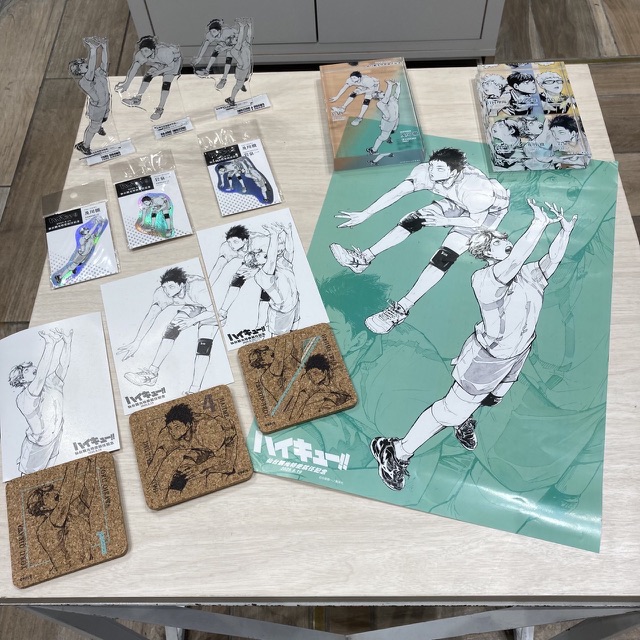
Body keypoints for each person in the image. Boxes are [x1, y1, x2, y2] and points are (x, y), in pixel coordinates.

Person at [370, 199, 578, 491]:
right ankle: (397, 451)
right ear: (485, 252)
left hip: (519, 352)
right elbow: (516, 259)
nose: (505, 242)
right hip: (487, 358)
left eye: (504, 239)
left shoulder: (529, 275)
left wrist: (565, 232)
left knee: (493, 398)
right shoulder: (485, 279)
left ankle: (464, 417)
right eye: (496, 242)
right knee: (449, 411)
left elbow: (551, 261)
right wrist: (538, 224)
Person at [331, 147, 510, 334]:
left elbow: (475, 221)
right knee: (413, 219)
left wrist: (444, 220)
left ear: (454, 173)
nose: (432, 172)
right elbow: (397, 192)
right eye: (432, 166)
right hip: (458, 202)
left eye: (439, 169)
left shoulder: (478, 190)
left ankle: (401, 309)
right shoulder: (425, 172)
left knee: (444, 256)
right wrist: (366, 213)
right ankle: (364, 258)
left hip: (487, 213)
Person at [118, 266, 218, 395]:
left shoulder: (198, 287)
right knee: (171, 330)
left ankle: (195, 389)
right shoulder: (162, 294)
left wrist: (192, 321)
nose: (167, 291)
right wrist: (137, 341)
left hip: (213, 308)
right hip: (194, 305)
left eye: (171, 287)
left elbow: (215, 309)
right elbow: (151, 315)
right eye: (165, 287)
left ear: (182, 285)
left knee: (203, 346)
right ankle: (152, 373)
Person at [9, 328, 73, 475]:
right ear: (21, 380)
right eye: (26, 370)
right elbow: (40, 377)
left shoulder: (50, 383)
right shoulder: (24, 398)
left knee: (51, 475)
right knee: (29, 481)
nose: (33, 368)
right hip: (37, 446)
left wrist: (67, 342)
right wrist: (50, 344)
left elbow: (63, 366)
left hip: (56, 436)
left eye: (31, 366)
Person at [145, 402, 237, 496]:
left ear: (188, 425)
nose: (173, 432)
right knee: (184, 470)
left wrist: (201, 467)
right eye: (170, 428)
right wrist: (146, 486)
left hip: (225, 440)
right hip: (199, 446)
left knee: (223, 469)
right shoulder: (166, 436)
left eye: (177, 427)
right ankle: (175, 492)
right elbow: (155, 463)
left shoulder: (205, 429)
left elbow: (221, 460)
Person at [27, 457, 96, 571]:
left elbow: (88, 490)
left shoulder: (74, 512)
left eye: (51, 491)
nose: (54, 493)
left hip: (90, 567)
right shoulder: (45, 530)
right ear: (43, 507)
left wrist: (92, 462)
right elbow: (65, 498)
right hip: (71, 574)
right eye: (47, 495)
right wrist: (73, 460)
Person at [242, 222, 299, 337]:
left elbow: (289, 252)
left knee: (296, 333)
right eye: (257, 255)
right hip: (281, 312)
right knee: (280, 340)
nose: (262, 253)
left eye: (260, 252)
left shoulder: (280, 263)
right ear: (256, 263)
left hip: (295, 302)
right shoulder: (261, 275)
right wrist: (274, 235)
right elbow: (271, 260)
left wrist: (288, 233)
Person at [115, 35, 182, 121]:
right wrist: (126, 83)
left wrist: (158, 72)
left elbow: (171, 66)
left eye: (146, 51)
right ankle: (137, 99)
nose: (144, 53)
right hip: (159, 62)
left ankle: (160, 108)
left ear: (153, 50)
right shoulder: (141, 55)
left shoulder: (164, 52)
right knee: (148, 76)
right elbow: (134, 69)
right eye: (142, 51)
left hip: (173, 62)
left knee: (166, 83)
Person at [69, 36, 110, 155]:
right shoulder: (85, 81)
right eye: (81, 65)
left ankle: (98, 126)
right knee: (93, 126)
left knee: (105, 117)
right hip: (97, 107)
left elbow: (104, 63)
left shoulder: (98, 73)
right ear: (79, 71)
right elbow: (91, 68)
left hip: (105, 102)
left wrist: (104, 47)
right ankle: (85, 146)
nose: (84, 64)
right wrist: (93, 49)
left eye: (83, 63)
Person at [51, 216, 108, 286]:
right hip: (80, 255)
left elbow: (98, 232)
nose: (87, 230)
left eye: (87, 229)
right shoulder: (84, 238)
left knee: (74, 267)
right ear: (84, 233)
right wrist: (96, 223)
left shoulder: (92, 237)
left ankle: (63, 275)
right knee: (71, 267)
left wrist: (102, 224)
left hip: (84, 256)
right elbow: (91, 231)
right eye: (86, 230)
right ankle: (60, 277)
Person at [366, 80, 400, 163]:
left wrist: (398, 85)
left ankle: (387, 137)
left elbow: (397, 94)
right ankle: (373, 150)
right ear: (378, 97)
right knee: (382, 137)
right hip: (388, 122)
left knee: (391, 131)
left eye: (381, 92)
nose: (382, 92)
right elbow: (387, 97)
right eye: (380, 93)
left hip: (395, 119)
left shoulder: (392, 99)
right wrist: (390, 85)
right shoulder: (380, 103)